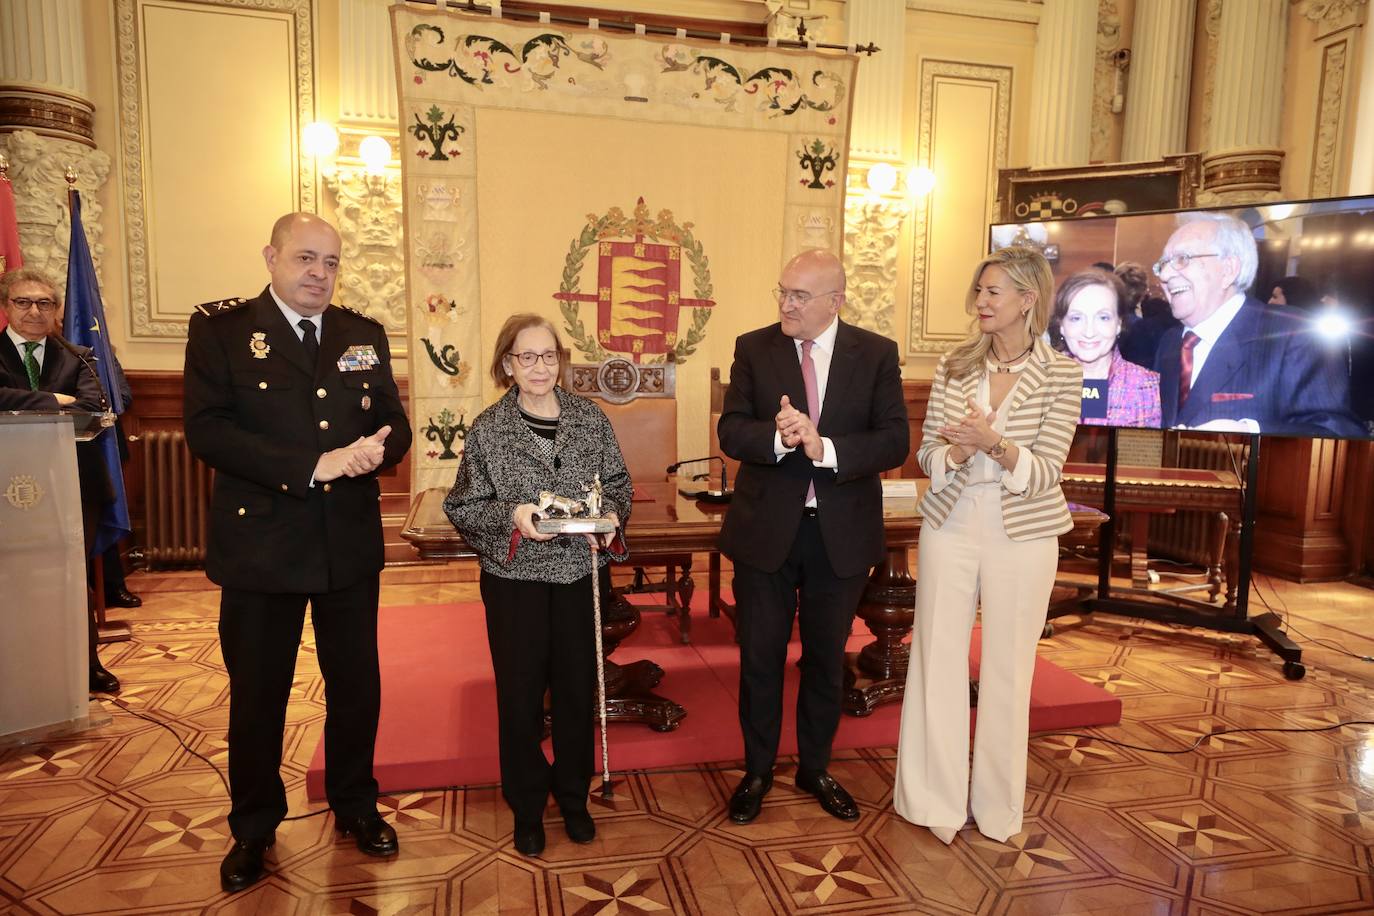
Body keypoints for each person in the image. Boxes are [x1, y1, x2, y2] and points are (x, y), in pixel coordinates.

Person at [183, 213, 410, 893]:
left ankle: (355, 804)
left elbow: (393, 419)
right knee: (259, 694)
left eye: (331, 262)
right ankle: (253, 826)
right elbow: (208, 431)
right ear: (272, 257)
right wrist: (314, 463)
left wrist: (379, 449)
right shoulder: (223, 330)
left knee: (355, 687)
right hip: (261, 544)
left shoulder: (360, 334)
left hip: (346, 543)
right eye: (306, 258)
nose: (319, 272)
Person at [894, 245, 1082, 845]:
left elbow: (1049, 469)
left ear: (1028, 300)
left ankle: (998, 808)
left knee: (1009, 669)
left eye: (992, 292)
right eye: (978, 291)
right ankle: (932, 801)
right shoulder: (954, 365)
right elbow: (925, 454)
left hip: (1024, 531)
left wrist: (993, 444)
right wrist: (956, 451)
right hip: (951, 522)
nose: (980, 302)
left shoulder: (1062, 373)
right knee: (936, 658)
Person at [717, 249, 908, 825]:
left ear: (835, 300)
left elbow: (894, 439)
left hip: (840, 537)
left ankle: (815, 768)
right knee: (760, 659)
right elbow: (731, 428)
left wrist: (825, 448)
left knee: (827, 660)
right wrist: (779, 438)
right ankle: (756, 772)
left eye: (799, 296)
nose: (786, 304)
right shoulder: (755, 347)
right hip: (765, 534)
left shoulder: (875, 354)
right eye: (782, 292)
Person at [444, 313, 631, 857]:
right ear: (508, 365)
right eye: (527, 357)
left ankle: (573, 797)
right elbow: (464, 505)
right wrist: (513, 515)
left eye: (549, 356)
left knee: (576, 691)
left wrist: (611, 518)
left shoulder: (589, 419)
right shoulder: (488, 429)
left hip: (579, 574)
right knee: (521, 697)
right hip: (515, 581)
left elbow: (617, 485)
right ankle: (527, 805)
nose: (540, 367)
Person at [0, 267, 120, 693]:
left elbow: (91, 407)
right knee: (14, 579)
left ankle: (86, 666)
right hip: (9, 488)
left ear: (56, 311)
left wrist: (59, 403)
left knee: (73, 577)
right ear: (6, 307)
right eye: (23, 302)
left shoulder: (77, 355)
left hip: (74, 484)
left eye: (45, 303)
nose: (35, 311)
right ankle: (20, 670)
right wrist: (52, 399)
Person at [1153, 213, 1363, 437]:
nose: (1165, 275)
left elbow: (1340, 433)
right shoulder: (1170, 342)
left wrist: (1250, 433)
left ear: (1228, 268)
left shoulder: (1295, 334)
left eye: (1183, 259)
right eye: (1163, 264)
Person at [1050, 268, 1161, 428]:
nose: (1089, 332)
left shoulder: (1147, 386)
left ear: (1118, 324)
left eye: (1103, 317)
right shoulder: (1037, 383)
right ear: (1061, 325)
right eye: (1076, 318)